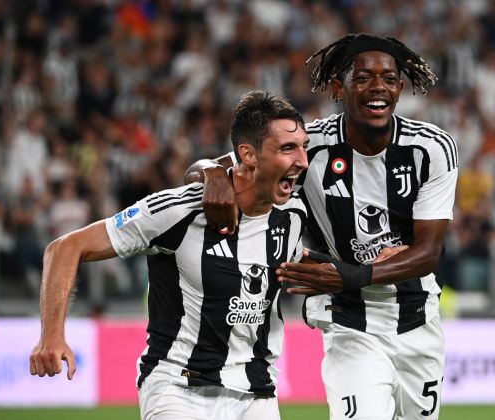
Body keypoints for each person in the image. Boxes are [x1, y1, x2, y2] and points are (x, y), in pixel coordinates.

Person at [186, 33, 458, 420]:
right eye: (363, 78)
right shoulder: (308, 146)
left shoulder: (431, 149)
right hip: (349, 324)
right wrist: (212, 172)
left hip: (418, 320)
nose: (378, 88)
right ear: (337, 87)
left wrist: (350, 274)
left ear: (401, 87)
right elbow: (207, 168)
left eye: (389, 79)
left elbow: (428, 253)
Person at [29, 91, 310, 420]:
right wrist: (51, 334)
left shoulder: (292, 215)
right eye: (289, 148)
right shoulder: (179, 211)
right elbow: (65, 247)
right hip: (178, 389)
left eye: (303, 146)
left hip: (256, 393)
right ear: (248, 154)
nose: (303, 160)